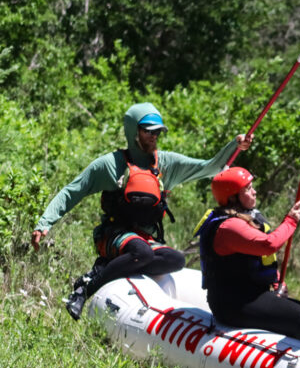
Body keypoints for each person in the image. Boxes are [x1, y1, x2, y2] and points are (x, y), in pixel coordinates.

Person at [31, 102, 252, 320]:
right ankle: (85, 288)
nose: (154, 136)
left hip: (145, 238)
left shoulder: (165, 163)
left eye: (158, 132)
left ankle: (108, 268)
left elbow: (209, 167)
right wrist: (45, 223)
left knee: (176, 260)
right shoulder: (111, 165)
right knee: (143, 253)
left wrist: (234, 145)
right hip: (114, 234)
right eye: (148, 131)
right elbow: (73, 191)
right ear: (133, 131)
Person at [195, 167, 300, 345]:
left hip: (252, 294)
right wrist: (290, 221)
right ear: (233, 197)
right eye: (248, 189)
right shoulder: (229, 227)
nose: (254, 191)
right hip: (232, 303)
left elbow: (257, 261)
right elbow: (268, 245)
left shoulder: (245, 218)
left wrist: (275, 281)